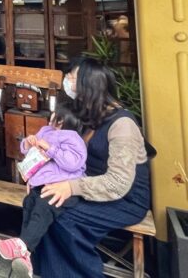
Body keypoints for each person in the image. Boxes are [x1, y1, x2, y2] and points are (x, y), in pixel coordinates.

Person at [31, 58, 150, 278]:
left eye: (72, 78)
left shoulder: (122, 125)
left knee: (65, 219)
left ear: (89, 85)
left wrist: (70, 187)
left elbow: (118, 183)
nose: (67, 81)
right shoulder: (87, 114)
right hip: (88, 183)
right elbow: (65, 154)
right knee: (41, 201)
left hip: (125, 199)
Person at [0, 99, 87, 276]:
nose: (52, 115)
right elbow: (31, 153)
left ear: (64, 119)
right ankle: (25, 256)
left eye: (56, 113)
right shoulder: (46, 130)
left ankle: (21, 246)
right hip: (41, 183)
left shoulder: (73, 138)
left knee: (42, 209)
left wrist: (51, 149)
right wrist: (27, 144)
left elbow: (73, 163)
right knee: (29, 204)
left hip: (65, 188)